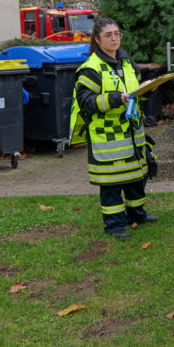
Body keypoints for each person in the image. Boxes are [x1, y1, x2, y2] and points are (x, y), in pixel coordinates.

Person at [69, 17, 158, 239]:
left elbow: (134, 90)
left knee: (137, 179)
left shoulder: (127, 63)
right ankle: (115, 225)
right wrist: (115, 99)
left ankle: (137, 215)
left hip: (133, 134)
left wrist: (148, 90)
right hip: (107, 138)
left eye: (117, 33)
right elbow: (86, 102)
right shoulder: (90, 69)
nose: (114, 38)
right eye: (108, 35)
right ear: (97, 39)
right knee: (111, 185)